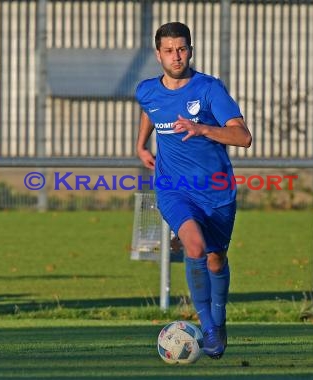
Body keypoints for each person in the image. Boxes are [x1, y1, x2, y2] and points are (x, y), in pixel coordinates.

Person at [135, 22, 252, 359]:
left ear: (191, 49)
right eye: (169, 50)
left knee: (216, 260)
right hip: (173, 188)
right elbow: (150, 111)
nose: (176, 56)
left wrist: (202, 129)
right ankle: (208, 327)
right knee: (194, 245)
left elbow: (243, 137)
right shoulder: (146, 90)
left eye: (182, 49)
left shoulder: (209, 89)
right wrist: (142, 145)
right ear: (158, 54)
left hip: (217, 191)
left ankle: (219, 316)